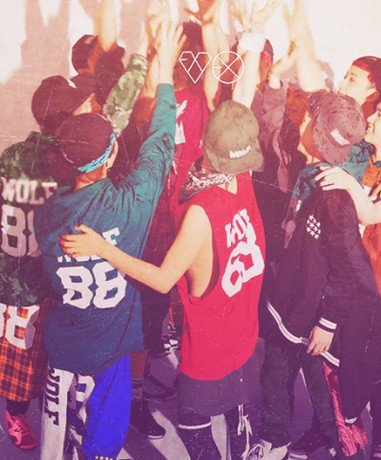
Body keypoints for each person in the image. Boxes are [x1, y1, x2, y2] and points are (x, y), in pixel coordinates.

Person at [58, 6, 279, 456]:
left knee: (191, 405)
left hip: (186, 253)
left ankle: (222, 422)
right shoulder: (238, 175)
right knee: (159, 318)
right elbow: (240, 97)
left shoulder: (202, 189)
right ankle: (234, 430)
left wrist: (173, 45)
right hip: (175, 243)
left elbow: (226, 88)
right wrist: (251, 36)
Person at [34, 23, 183, 460]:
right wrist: (164, 71)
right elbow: (161, 143)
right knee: (102, 436)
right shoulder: (131, 204)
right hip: (111, 350)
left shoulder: (48, 214)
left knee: (56, 435)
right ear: (112, 156)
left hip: (64, 346)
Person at [0, 18, 147, 450]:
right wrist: (141, 62)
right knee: (41, 361)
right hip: (45, 280)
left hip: (10, 277)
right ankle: (54, 422)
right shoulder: (64, 164)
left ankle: (15, 416)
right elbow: (114, 118)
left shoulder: (11, 156)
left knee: (16, 357)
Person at [258, 90, 381, 460]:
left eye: (308, 120)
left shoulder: (334, 197)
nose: (300, 122)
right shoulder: (317, 174)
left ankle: (341, 447)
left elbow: (346, 268)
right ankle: (276, 438)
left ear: (319, 136)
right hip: (296, 301)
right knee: (275, 372)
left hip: (316, 314)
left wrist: (327, 323)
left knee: (325, 393)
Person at [316, 90, 381, 445]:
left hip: (372, 278)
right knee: (339, 347)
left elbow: (372, 213)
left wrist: (348, 182)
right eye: (375, 110)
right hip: (338, 268)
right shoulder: (363, 151)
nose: (371, 118)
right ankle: (332, 423)